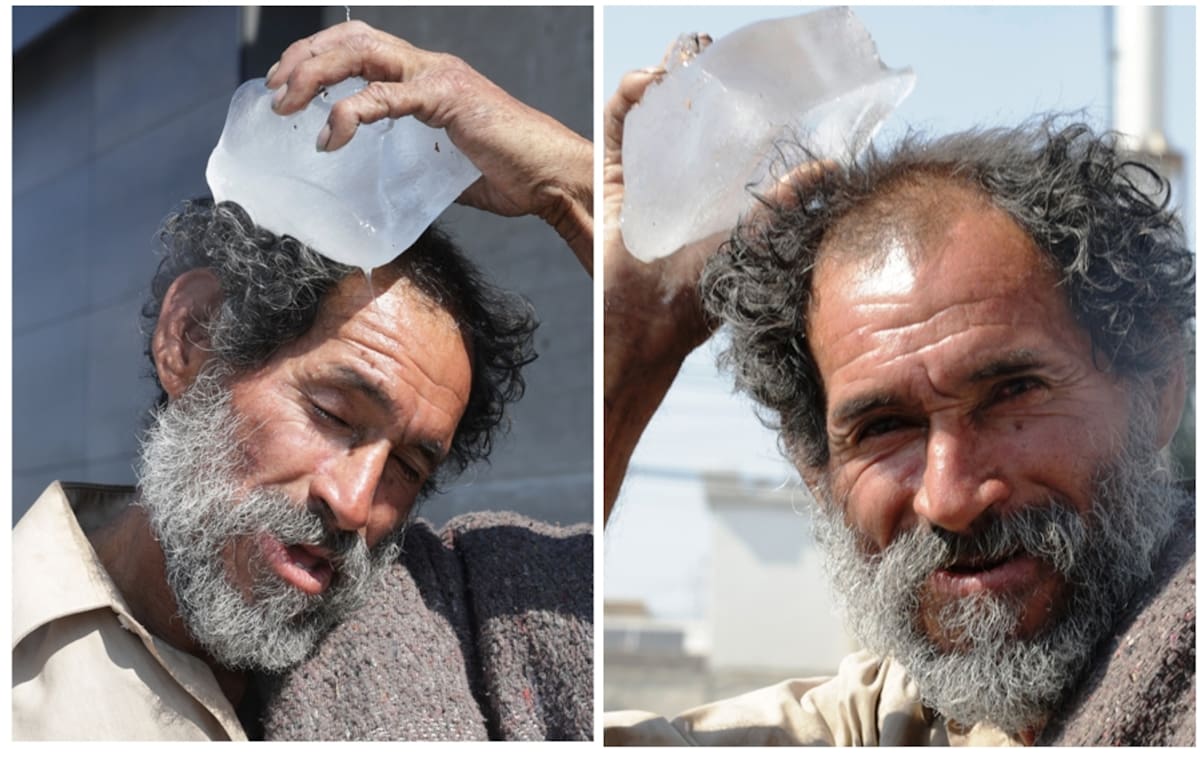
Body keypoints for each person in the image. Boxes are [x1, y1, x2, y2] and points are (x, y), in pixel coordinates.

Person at [13, 20, 592, 741]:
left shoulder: (456, 610)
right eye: (333, 413)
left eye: (409, 466)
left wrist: (569, 187)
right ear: (192, 338)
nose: (354, 506)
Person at [603, 54, 1195, 745]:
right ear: (815, 470)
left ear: (1157, 386)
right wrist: (627, 342)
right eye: (885, 427)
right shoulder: (887, 724)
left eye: (1011, 394)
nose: (949, 497)